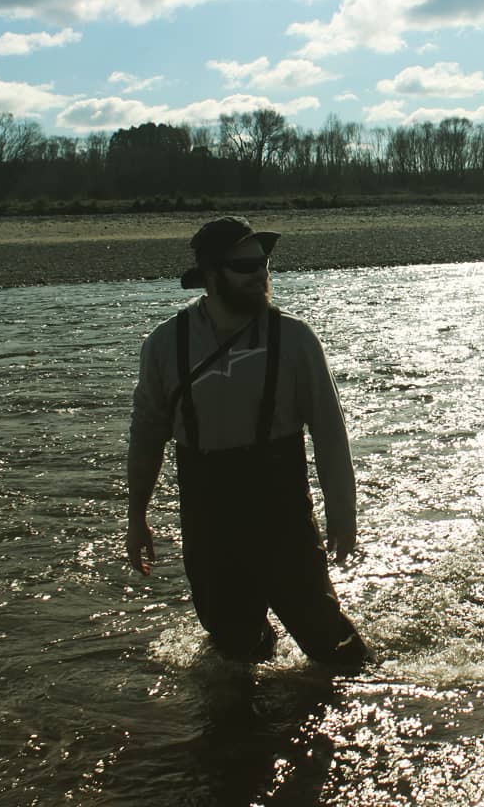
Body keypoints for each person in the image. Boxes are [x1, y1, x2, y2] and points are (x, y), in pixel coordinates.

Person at [126, 216, 370, 667]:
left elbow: (330, 433)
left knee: (335, 651)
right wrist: (136, 515)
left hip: (283, 520)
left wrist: (343, 513)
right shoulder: (164, 345)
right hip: (208, 524)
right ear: (213, 275)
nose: (260, 273)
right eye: (245, 266)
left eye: (263, 263)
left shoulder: (294, 339)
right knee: (234, 655)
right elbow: (146, 437)